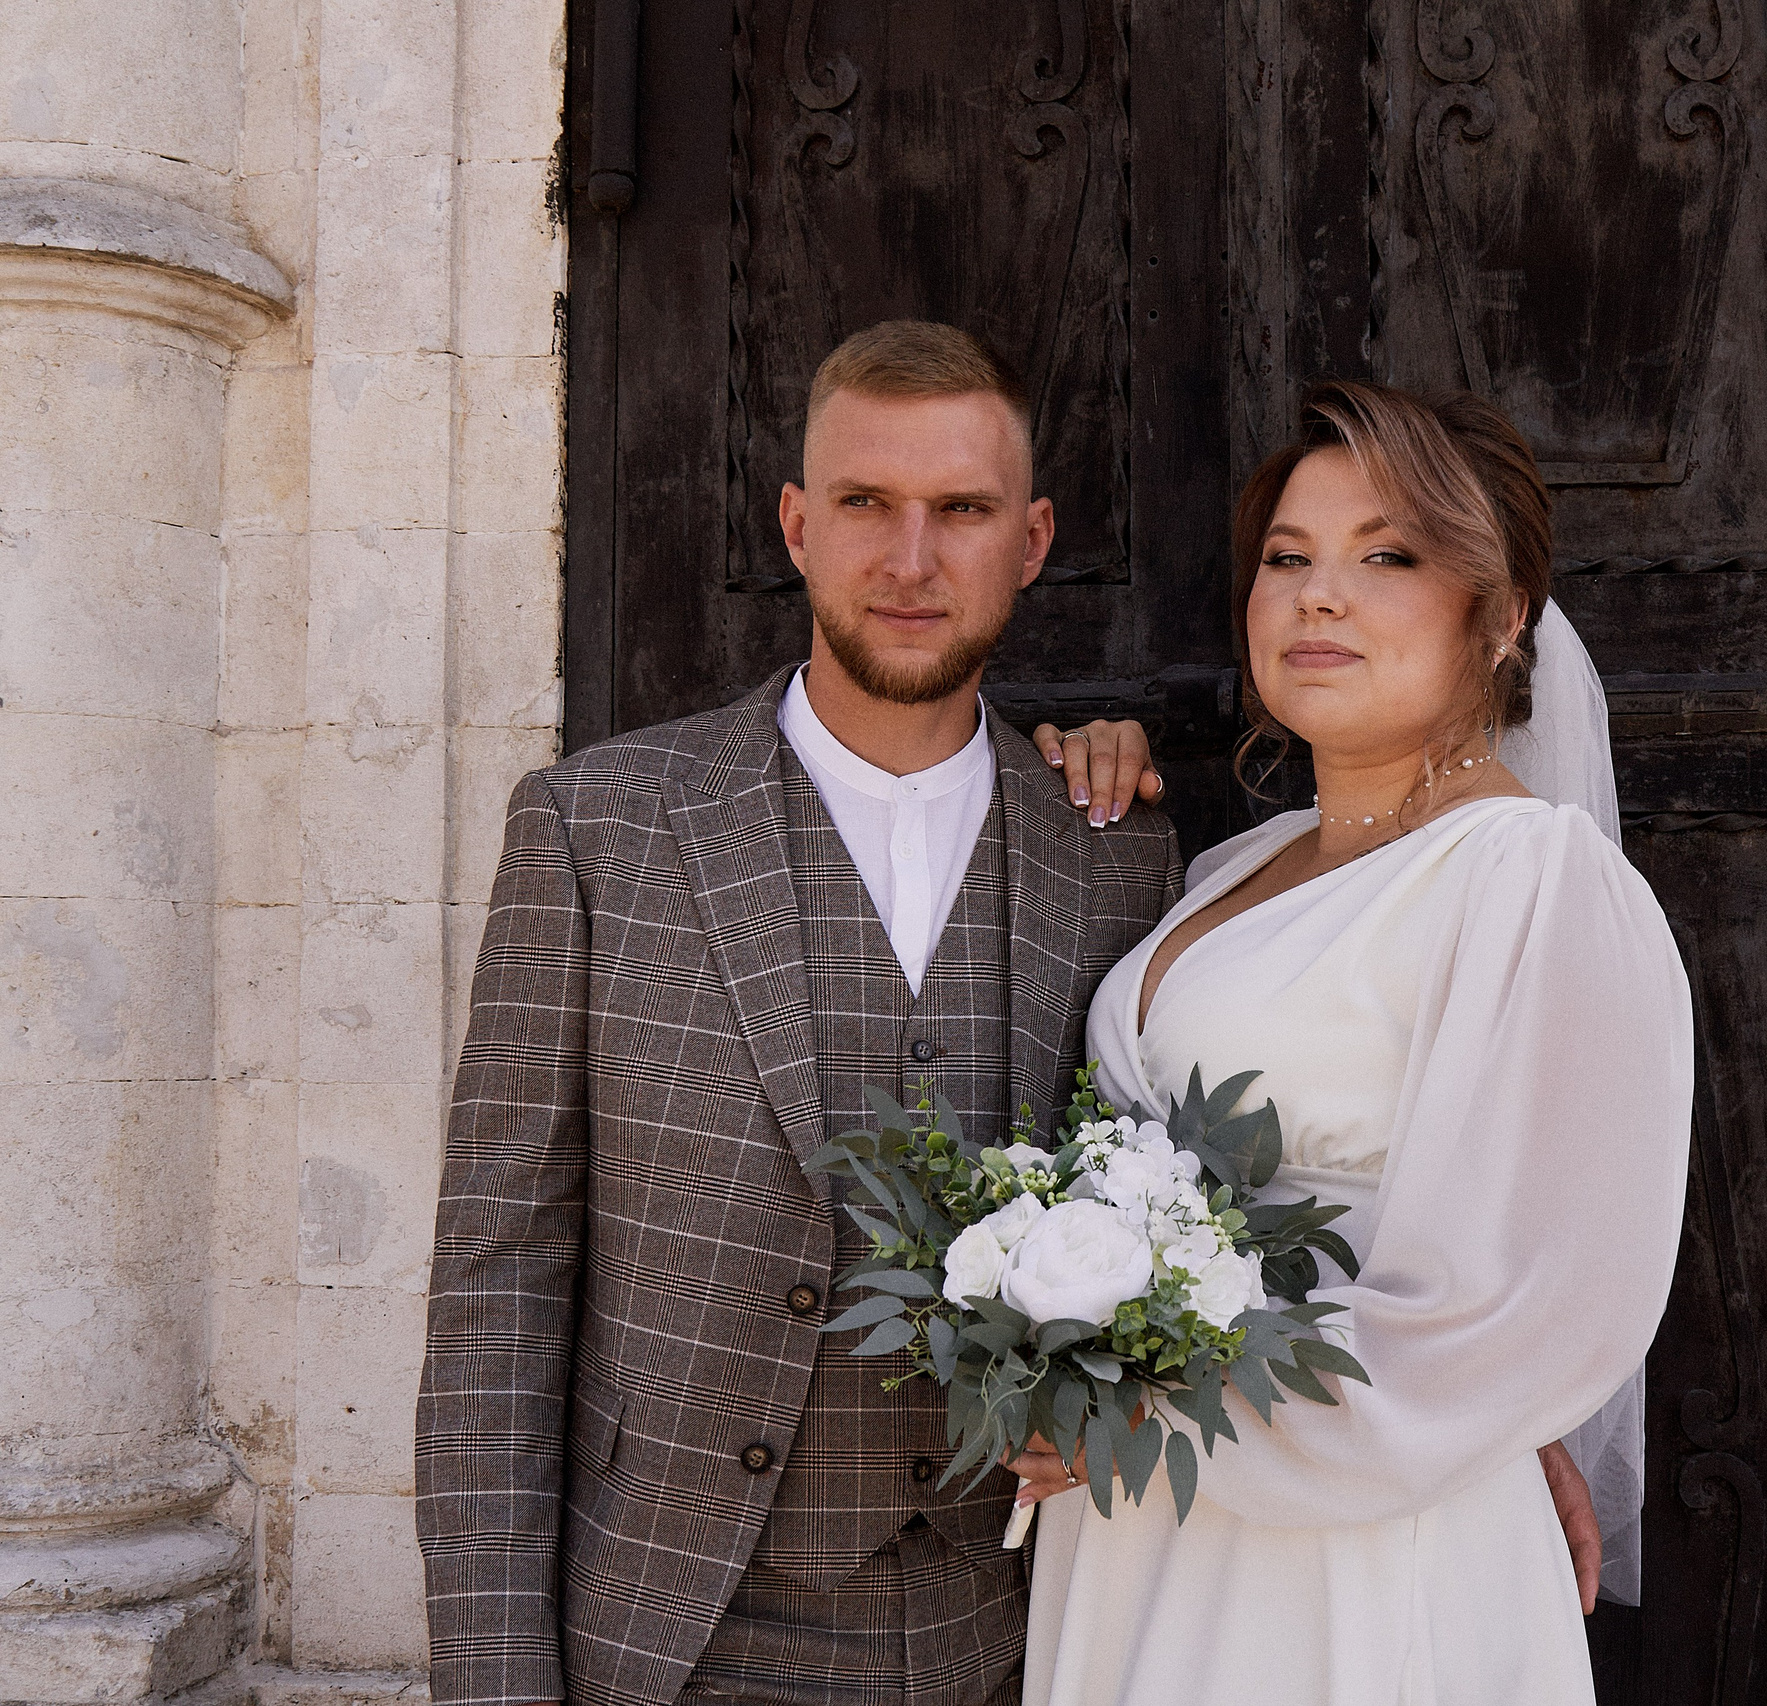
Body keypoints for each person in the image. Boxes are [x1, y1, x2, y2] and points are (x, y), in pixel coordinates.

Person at [415, 322, 1602, 1706]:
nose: (911, 560)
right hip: (676, 1628)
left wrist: (1483, 1421)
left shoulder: (1116, 850)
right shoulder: (600, 827)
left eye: (962, 511)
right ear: (796, 524)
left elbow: (1267, 1187)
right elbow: (497, 1293)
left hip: (1046, 1616)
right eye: (866, 503)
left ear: (1031, 540)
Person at [1009, 382, 1693, 1705]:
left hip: (1354, 1558)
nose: (1320, 595)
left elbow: (1517, 1309)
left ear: (1500, 619)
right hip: (1143, 1529)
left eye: (1387, 556)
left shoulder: (1531, 882)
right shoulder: (1229, 866)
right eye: (1287, 558)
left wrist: (1154, 1408)